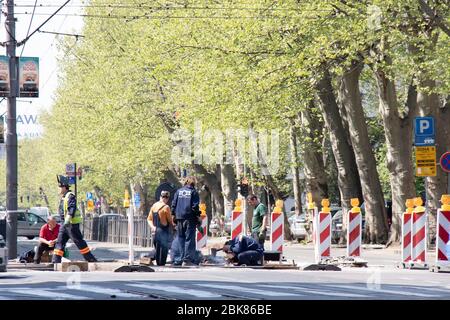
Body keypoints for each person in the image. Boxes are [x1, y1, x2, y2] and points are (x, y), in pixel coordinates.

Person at [52, 175, 97, 263]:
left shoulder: (70, 196)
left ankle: (90, 259)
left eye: (59, 187)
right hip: (64, 224)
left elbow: (71, 208)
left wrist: (68, 220)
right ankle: (55, 261)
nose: (58, 189)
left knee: (79, 242)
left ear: (64, 187)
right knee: (59, 243)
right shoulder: (63, 197)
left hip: (71, 225)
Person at [171, 176, 201, 267]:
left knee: (181, 238)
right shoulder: (193, 192)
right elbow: (195, 207)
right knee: (189, 239)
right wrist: (198, 216)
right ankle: (187, 260)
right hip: (189, 218)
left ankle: (181, 258)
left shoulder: (178, 191)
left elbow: (173, 204)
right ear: (193, 183)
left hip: (179, 218)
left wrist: (173, 215)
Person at [148, 191, 174, 266]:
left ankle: (157, 263)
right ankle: (161, 264)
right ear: (167, 198)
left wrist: (153, 227)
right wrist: (174, 226)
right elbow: (170, 220)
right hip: (163, 231)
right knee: (163, 251)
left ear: (160, 197)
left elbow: (149, 219)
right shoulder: (166, 207)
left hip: (155, 231)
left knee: (157, 249)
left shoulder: (154, 206)